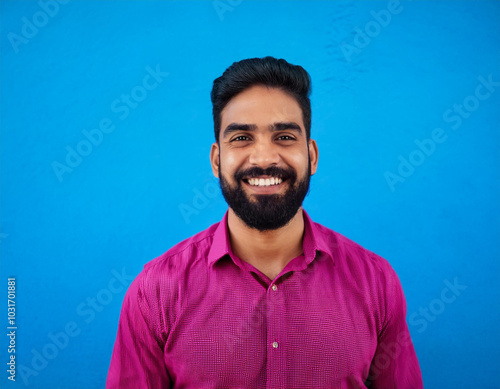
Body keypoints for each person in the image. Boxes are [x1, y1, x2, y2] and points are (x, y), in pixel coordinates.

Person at [106, 56, 423, 389]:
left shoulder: (376, 283)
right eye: (242, 138)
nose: (264, 159)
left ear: (312, 156)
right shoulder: (155, 293)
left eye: (284, 137)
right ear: (216, 160)